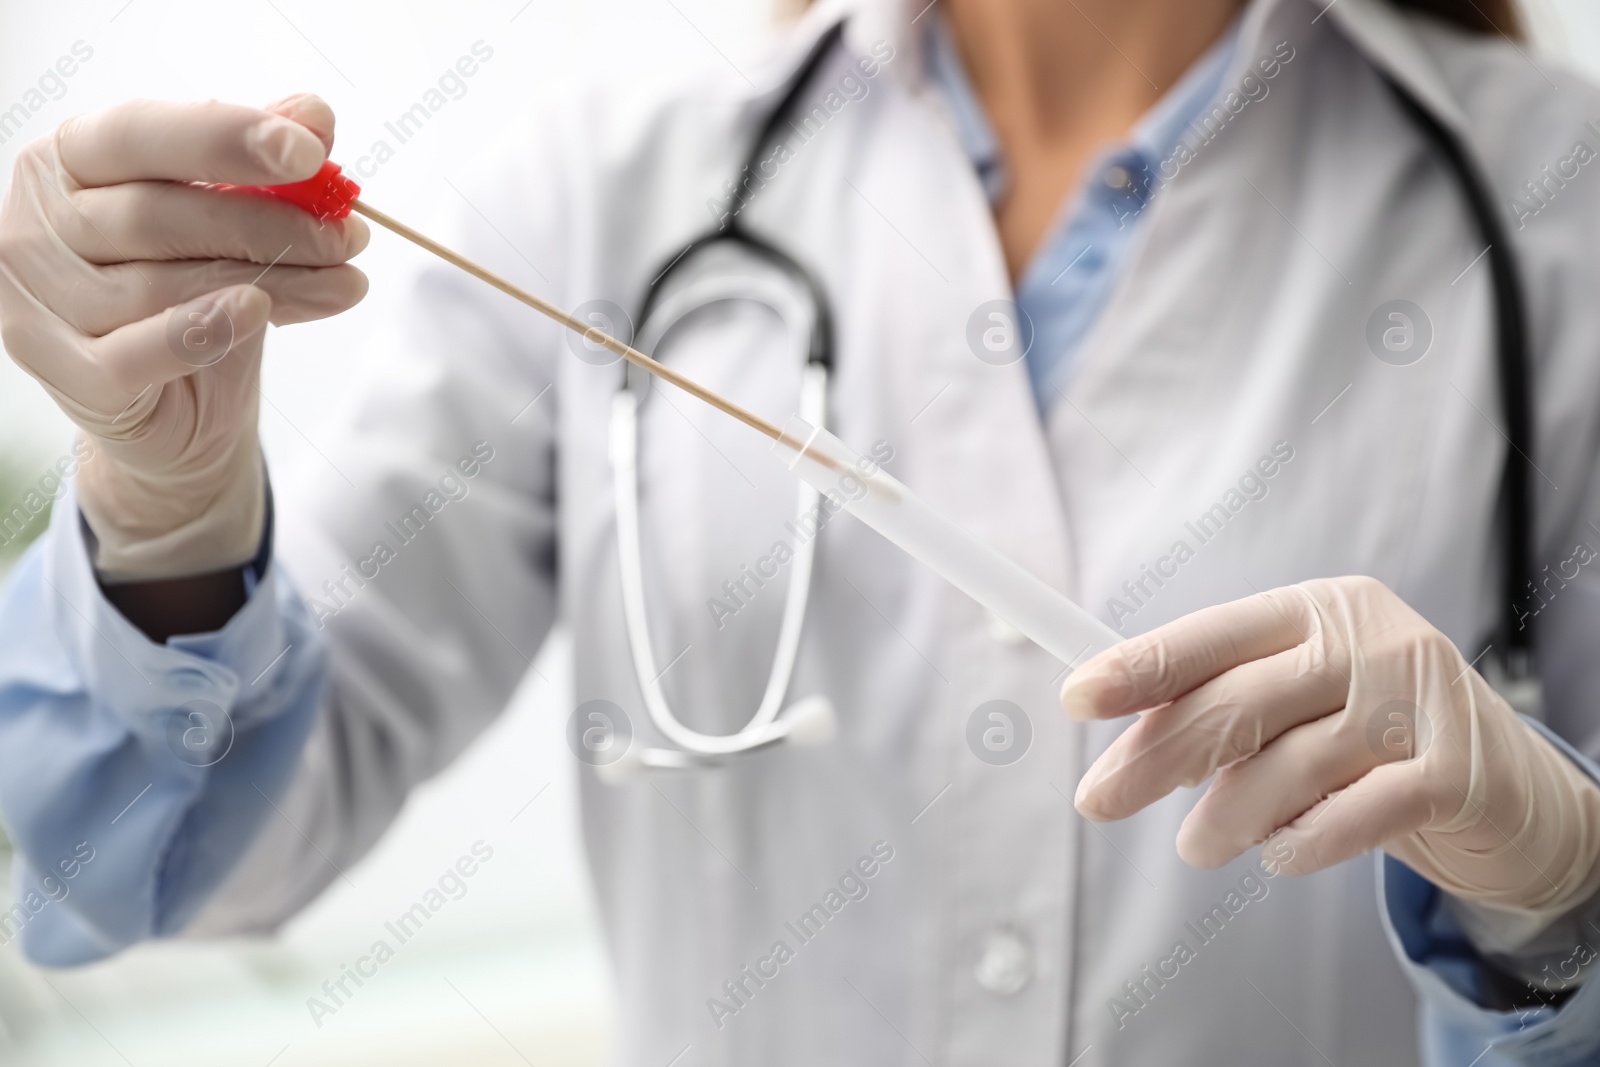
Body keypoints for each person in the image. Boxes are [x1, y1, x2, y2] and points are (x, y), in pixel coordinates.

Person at [1, 0, 1599, 1062]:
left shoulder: (1560, 208)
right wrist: (166, 508)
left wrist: (1559, 887)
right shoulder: (613, 178)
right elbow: (165, 862)